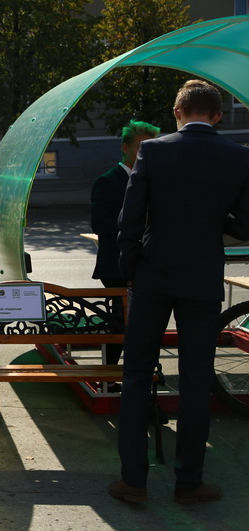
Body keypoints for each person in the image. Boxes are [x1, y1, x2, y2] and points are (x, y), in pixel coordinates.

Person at [109, 80, 249, 504]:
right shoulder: (239, 156)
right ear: (218, 115)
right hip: (202, 278)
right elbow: (245, 225)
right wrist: (212, 222)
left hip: (153, 275)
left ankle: (134, 481)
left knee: (136, 375)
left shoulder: (154, 151)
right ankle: (189, 483)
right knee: (196, 378)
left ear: (177, 112)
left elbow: (130, 219)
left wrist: (131, 269)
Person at [91, 120, 160, 393]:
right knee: (120, 323)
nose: (146, 152)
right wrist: (134, 228)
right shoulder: (108, 181)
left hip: (144, 263)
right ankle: (110, 378)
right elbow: (99, 224)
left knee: (135, 323)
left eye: (151, 147)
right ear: (124, 147)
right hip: (116, 266)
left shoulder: (151, 179)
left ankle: (128, 377)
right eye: (141, 146)